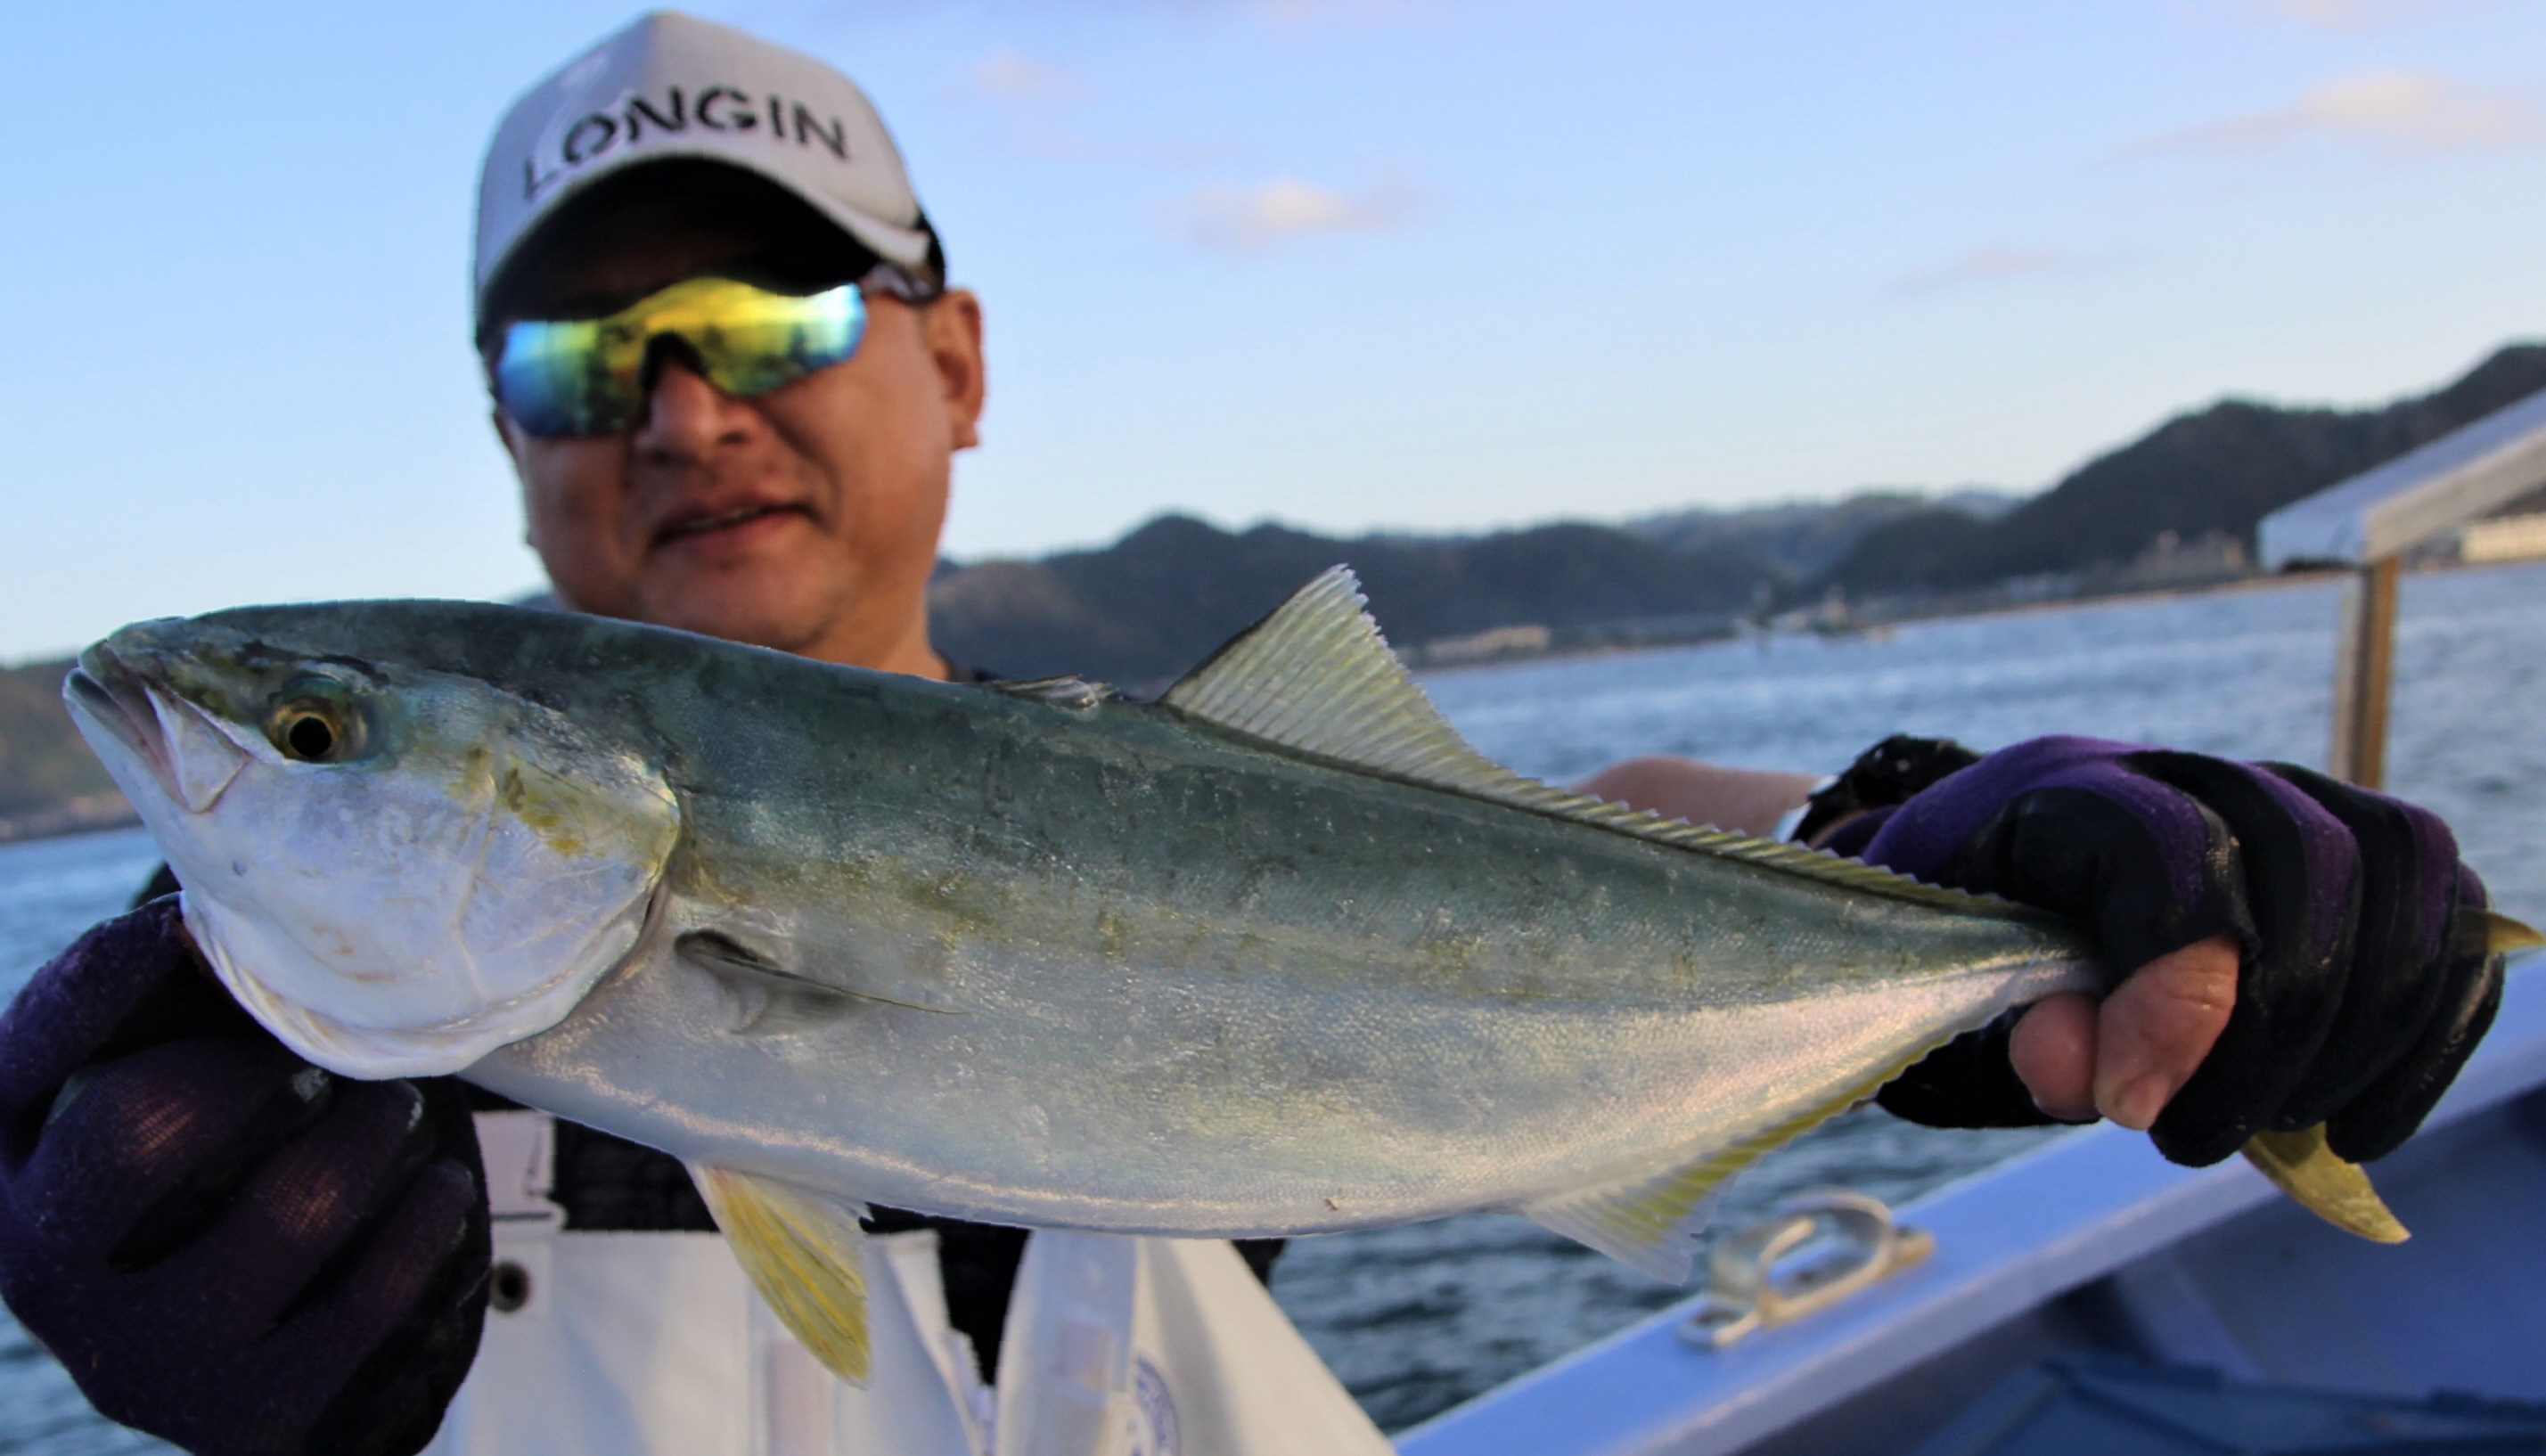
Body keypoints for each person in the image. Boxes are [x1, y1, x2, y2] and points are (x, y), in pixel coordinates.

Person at [0, 13, 2504, 1456]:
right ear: (512, 436)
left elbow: (1549, 840)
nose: (679, 409)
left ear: (952, 359)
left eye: (769, 322)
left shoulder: (1208, 799)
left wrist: (1947, 860)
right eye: (581, 357)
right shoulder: (282, 1022)